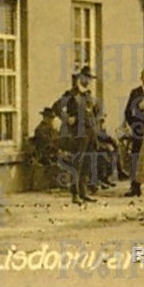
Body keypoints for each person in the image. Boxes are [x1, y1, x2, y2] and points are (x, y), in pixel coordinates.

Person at [56, 66, 99, 204]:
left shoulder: (88, 95)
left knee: (87, 163)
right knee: (77, 163)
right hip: (78, 133)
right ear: (80, 78)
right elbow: (56, 107)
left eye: (90, 78)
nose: (88, 81)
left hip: (90, 132)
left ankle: (83, 192)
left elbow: (95, 111)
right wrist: (67, 118)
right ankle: (75, 194)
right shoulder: (71, 94)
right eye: (86, 78)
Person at [123, 68, 144, 197]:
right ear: (142, 78)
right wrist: (134, 125)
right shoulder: (135, 93)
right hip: (139, 130)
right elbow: (128, 111)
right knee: (136, 156)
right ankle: (135, 186)